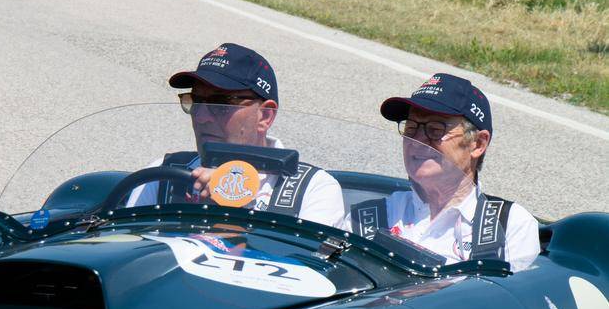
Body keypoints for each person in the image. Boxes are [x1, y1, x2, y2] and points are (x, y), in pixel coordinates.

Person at [128, 43, 347, 228]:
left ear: (265, 115)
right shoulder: (162, 175)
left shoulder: (312, 189)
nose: (201, 116)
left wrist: (232, 206)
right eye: (196, 101)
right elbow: (129, 252)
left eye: (220, 104)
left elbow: (308, 272)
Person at [353, 73, 541, 268]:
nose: (417, 141)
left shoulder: (509, 226)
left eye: (435, 130)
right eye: (411, 128)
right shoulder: (369, 217)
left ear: (478, 144)